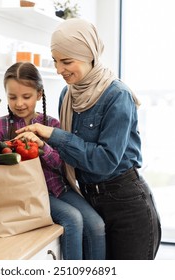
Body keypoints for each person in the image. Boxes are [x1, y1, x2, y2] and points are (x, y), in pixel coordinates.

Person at [15, 18, 161, 260]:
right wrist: (43, 147)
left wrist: (54, 135)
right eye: (55, 61)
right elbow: (69, 154)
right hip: (90, 199)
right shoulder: (68, 95)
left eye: (66, 61)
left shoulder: (118, 96)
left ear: (88, 55)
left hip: (128, 206)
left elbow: (105, 160)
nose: (59, 69)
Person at [0, 62, 106, 260]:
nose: (19, 103)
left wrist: (44, 148)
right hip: (28, 196)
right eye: (12, 97)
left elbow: (64, 165)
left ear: (39, 94)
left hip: (59, 189)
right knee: (73, 219)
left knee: (96, 225)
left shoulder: (52, 124)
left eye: (26, 96)